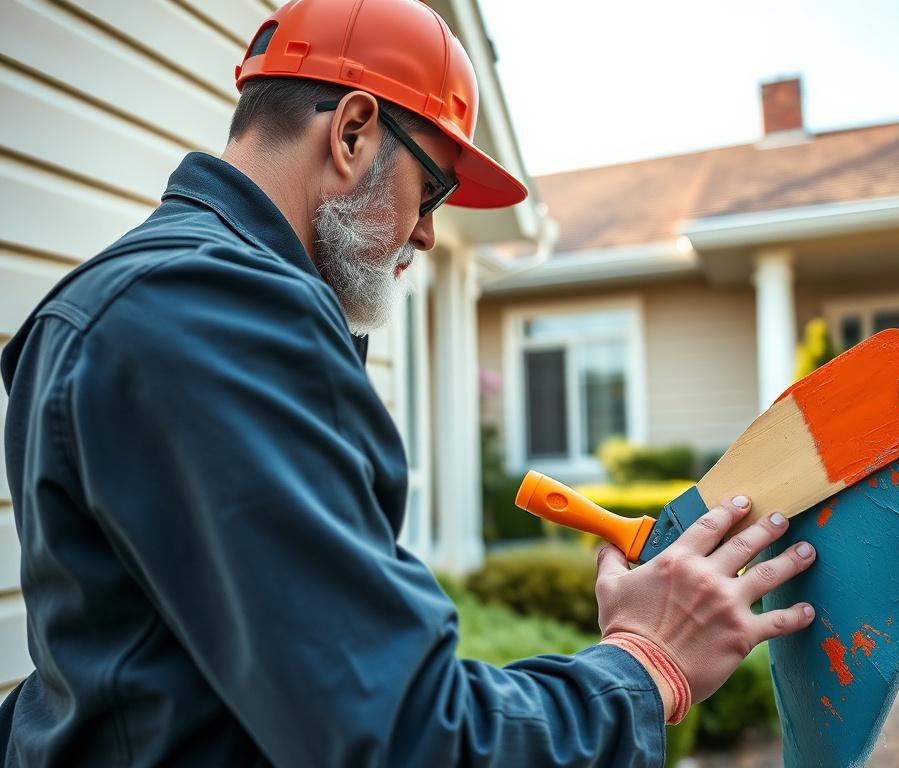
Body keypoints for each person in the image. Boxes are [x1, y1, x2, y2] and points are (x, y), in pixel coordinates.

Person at [0, 0, 817, 765]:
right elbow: (408, 739)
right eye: (432, 191)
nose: (427, 234)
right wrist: (646, 663)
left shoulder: (144, 303)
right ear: (353, 132)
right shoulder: (216, 317)